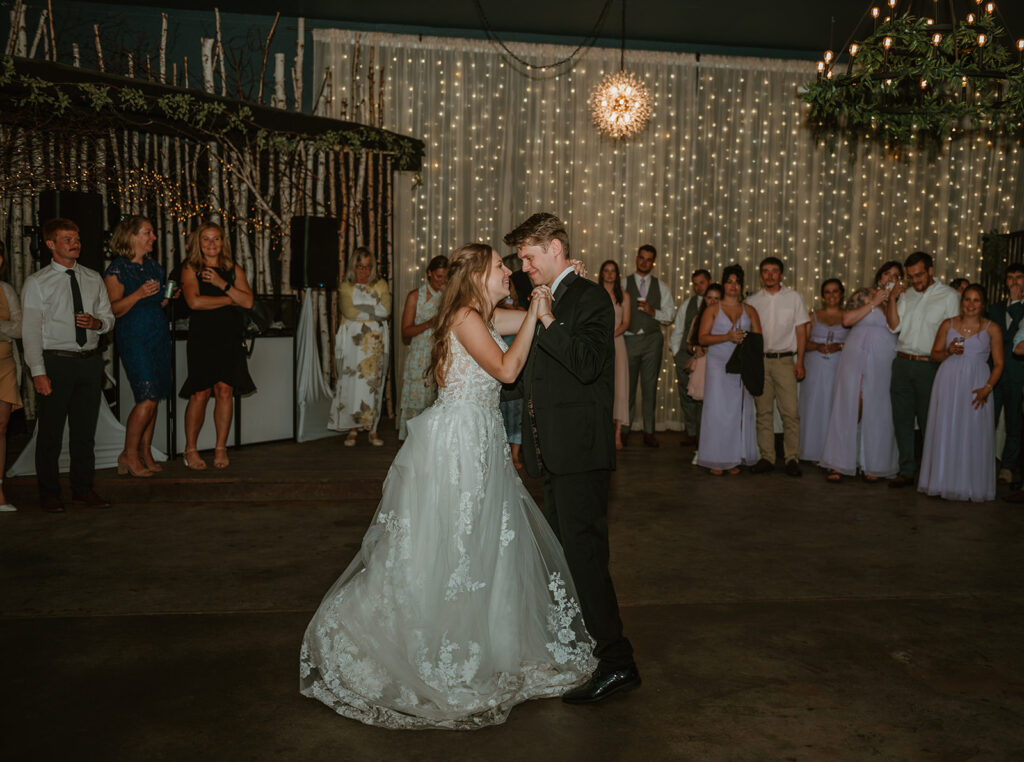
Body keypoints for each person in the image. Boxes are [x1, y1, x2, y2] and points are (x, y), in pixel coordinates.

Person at [300, 243, 595, 729]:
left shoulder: (486, 313)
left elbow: (533, 315)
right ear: (479, 275)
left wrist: (556, 284)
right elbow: (507, 370)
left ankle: (485, 642)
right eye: (502, 267)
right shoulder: (463, 316)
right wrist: (535, 310)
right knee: (451, 543)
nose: (508, 273)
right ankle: (420, 642)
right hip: (457, 445)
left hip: (483, 440)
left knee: (484, 544)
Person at [508, 212, 639, 704]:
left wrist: (546, 317)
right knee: (563, 558)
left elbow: (585, 364)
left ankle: (618, 661)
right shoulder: (547, 291)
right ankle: (585, 648)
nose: (522, 267)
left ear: (556, 249)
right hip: (553, 452)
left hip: (581, 451)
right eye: (519, 259)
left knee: (585, 559)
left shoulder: (589, 298)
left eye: (530, 256)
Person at [22, 218, 114, 512]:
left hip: (89, 363)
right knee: (50, 434)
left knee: (85, 432)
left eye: (76, 239)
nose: (75, 244)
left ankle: (83, 489)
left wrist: (98, 323)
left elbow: (108, 316)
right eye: (67, 239)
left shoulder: (92, 277)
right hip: (56, 362)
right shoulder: (37, 283)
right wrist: (38, 372)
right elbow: (30, 332)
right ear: (50, 244)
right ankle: (49, 493)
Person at [178, 222, 256, 470]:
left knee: (224, 391)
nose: (211, 244)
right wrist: (229, 299)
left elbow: (248, 301)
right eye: (206, 239)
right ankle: (190, 449)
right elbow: (194, 302)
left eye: (216, 239)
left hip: (229, 337)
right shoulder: (191, 268)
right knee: (200, 392)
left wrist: (223, 284)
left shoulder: (233, 269)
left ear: (223, 242)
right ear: (199, 243)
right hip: (203, 338)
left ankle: (221, 447)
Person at [818, 263, 903, 482]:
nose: (890, 278)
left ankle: (874, 463)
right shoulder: (864, 294)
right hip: (856, 352)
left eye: (896, 275)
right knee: (852, 402)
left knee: (878, 404)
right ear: (879, 276)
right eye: (887, 274)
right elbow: (847, 320)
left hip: (884, 355)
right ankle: (840, 461)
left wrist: (891, 299)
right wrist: (874, 303)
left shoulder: (903, 299)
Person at [918, 285, 1002, 502]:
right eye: (967, 300)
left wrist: (987, 388)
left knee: (972, 431)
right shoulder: (948, 324)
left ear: (982, 304)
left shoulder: (992, 329)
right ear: (961, 302)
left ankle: (970, 485)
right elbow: (934, 355)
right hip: (949, 381)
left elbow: (999, 364)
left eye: (976, 300)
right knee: (947, 427)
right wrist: (948, 351)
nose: (971, 304)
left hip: (977, 384)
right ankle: (943, 481)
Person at [103, 216, 173, 478]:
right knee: (146, 397)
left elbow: (158, 304)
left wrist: (167, 297)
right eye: (148, 232)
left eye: (152, 232)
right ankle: (128, 454)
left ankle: (146, 451)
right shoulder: (117, 269)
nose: (153, 237)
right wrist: (139, 294)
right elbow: (113, 310)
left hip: (157, 334)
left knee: (154, 398)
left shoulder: (155, 268)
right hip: (133, 336)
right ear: (132, 236)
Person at [886, 251, 960, 488]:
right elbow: (894, 326)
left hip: (929, 365)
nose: (915, 281)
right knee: (902, 421)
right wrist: (892, 299)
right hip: (902, 362)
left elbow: (954, 333)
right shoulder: (907, 294)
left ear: (931, 271)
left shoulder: (949, 296)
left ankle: (933, 474)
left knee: (931, 421)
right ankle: (906, 470)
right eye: (911, 277)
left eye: (919, 275)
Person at [746, 257, 809, 477]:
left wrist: (800, 360)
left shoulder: (794, 298)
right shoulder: (752, 301)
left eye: (774, 271)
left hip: (785, 361)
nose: (770, 275)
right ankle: (767, 457)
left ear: (781, 274)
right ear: (761, 274)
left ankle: (792, 458)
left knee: (790, 412)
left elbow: (801, 331)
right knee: (763, 412)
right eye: (765, 271)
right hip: (761, 361)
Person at [697, 265, 762, 475]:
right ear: (724, 284)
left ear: (742, 286)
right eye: (729, 281)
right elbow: (702, 338)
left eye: (737, 282)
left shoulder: (750, 310)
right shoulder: (712, 309)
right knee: (717, 411)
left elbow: (758, 340)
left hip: (740, 366)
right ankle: (716, 459)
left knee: (737, 412)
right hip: (717, 364)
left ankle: (733, 458)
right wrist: (727, 337)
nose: (733, 286)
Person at [328, 247, 391, 447]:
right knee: (352, 382)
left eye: (367, 266)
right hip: (353, 344)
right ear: (353, 266)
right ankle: (352, 428)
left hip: (375, 343)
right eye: (359, 266)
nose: (363, 271)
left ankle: (372, 429)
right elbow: (349, 311)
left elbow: (386, 310)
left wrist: (365, 310)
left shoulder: (380, 284)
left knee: (373, 384)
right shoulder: (346, 286)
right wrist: (373, 311)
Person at [622, 244, 675, 447]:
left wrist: (654, 312)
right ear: (636, 259)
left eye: (649, 259)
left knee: (650, 386)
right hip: (629, 339)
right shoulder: (623, 283)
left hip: (653, 340)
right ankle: (624, 429)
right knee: (627, 388)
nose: (644, 262)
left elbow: (669, 315)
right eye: (641, 258)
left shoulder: (661, 287)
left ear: (653, 262)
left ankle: (649, 431)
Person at [798, 279, 850, 463]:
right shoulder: (813, 316)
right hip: (815, 366)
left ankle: (834, 451)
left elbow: (855, 342)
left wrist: (841, 345)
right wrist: (817, 346)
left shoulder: (849, 316)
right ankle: (813, 450)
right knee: (814, 407)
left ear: (842, 293)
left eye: (835, 291)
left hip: (839, 366)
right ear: (822, 296)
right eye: (827, 292)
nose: (831, 295)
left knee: (834, 405)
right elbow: (802, 342)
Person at [397, 254, 448, 440]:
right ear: (429, 273)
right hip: (419, 356)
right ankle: (411, 443)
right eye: (438, 276)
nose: (441, 281)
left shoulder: (448, 296)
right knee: (416, 401)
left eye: (445, 277)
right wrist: (429, 323)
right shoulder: (415, 296)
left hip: (440, 353)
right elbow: (405, 331)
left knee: (435, 402)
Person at [987, 263, 1024, 484]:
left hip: (1018, 374)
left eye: (1019, 277)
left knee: (1014, 423)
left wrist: (1018, 302)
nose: (1014, 282)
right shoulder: (995, 309)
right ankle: (983, 462)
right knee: (987, 420)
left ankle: (1007, 468)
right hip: (995, 373)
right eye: (1010, 278)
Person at [670, 269, 711, 448]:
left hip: (708, 359)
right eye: (695, 283)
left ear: (709, 282)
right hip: (685, 357)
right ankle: (691, 433)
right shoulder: (688, 304)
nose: (698, 286)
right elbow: (679, 329)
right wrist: (676, 352)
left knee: (704, 397)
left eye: (701, 282)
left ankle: (705, 434)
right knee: (687, 397)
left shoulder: (717, 303)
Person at [684, 282, 723, 465]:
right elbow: (689, 343)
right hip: (703, 367)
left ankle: (721, 448)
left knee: (720, 410)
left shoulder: (726, 319)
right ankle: (702, 449)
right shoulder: (698, 318)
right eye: (709, 297)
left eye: (717, 298)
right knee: (703, 411)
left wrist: (707, 347)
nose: (712, 301)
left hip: (720, 366)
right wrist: (696, 349)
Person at [598, 259, 631, 449]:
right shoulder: (595, 292)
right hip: (598, 344)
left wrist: (610, 335)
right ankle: (602, 432)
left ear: (617, 275)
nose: (610, 274)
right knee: (602, 386)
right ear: (602, 273)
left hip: (617, 343)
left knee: (620, 387)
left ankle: (617, 434)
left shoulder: (624, 295)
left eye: (613, 271)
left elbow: (626, 323)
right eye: (606, 271)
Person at [0, 241, 22, 512]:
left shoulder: (6, 290)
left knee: (1, 428)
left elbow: (19, 328)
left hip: (4, 365)